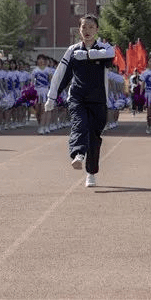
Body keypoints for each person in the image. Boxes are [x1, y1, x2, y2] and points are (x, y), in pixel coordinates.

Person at [45, 14, 115, 188]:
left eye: (91, 27)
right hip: (77, 97)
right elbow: (60, 74)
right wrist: (51, 97)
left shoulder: (104, 48)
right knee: (79, 124)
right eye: (84, 27)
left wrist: (90, 55)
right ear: (79, 30)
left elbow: (111, 54)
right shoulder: (72, 50)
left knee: (93, 136)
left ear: (97, 30)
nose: (87, 31)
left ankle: (91, 172)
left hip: (98, 100)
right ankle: (78, 154)